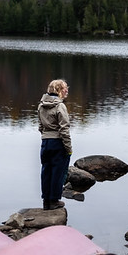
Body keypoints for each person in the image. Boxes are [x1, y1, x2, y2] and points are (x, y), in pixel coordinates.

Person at [38, 78, 72, 210]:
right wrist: (69, 148)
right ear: (58, 90)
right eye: (64, 88)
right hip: (58, 143)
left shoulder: (41, 105)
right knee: (58, 172)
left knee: (46, 171)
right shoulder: (60, 106)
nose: (67, 90)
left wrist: (46, 136)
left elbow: (40, 126)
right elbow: (64, 129)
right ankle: (54, 201)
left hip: (45, 142)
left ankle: (46, 201)